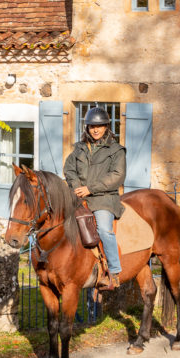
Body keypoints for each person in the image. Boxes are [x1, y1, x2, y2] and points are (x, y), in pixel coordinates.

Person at [63, 107, 126, 288]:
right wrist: (76, 188)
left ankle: (114, 271)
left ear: (107, 127)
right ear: (87, 128)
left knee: (104, 230)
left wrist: (90, 188)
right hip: (79, 197)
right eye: (92, 126)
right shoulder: (79, 149)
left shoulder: (116, 150)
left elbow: (117, 176)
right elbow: (69, 169)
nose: (95, 130)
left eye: (99, 126)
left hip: (104, 199)